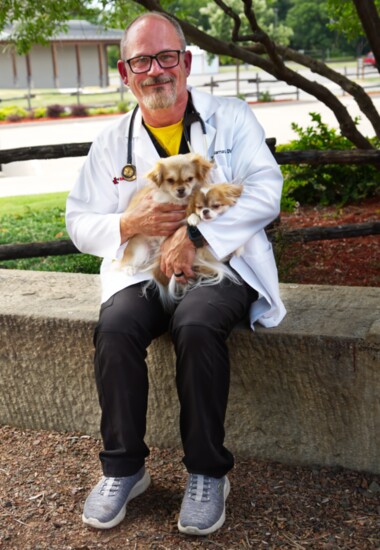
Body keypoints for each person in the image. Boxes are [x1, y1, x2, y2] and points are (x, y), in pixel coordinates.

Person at [66, 11, 286, 536]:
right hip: (142, 270)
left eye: (167, 57)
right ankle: (124, 469)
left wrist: (197, 235)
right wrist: (127, 221)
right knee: (116, 328)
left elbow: (265, 188)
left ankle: (208, 473)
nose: (156, 70)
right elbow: (78, 220)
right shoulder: (110, 142)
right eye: (142, 60)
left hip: (220, 266)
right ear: (125, 73)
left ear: (185, 63)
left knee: (195, 325)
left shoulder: (231, 118)